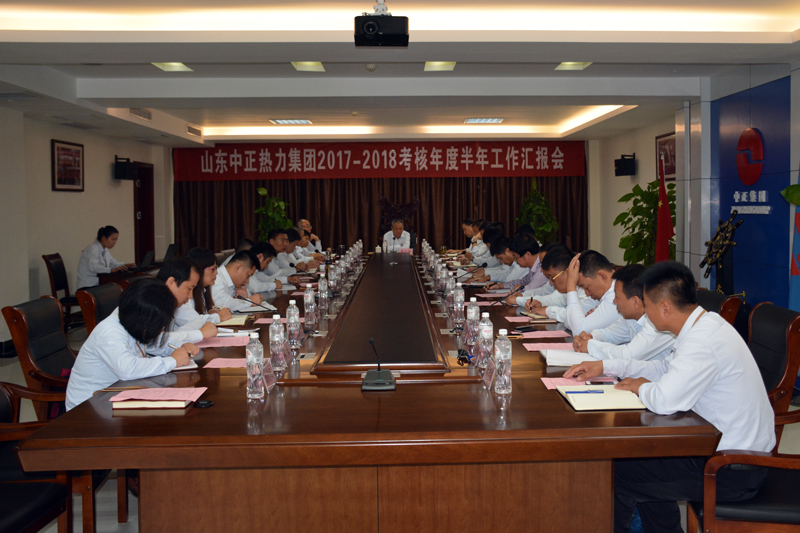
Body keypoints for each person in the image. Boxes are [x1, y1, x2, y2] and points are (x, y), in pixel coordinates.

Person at [564, 261, 773, 533]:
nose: (646, 313)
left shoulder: (702, 341)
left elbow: (664, 400)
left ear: (664, 308)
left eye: (647, 306)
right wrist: (606, 366)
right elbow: (663, 369)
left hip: (730, 468)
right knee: (640, 465)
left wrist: (640, 387)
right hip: (721, 452)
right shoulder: (704, 325)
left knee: (616, 474)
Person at [65, 278, 196, 410]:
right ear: (145, 318)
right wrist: (172, 361)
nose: (161, 328)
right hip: (88, 407)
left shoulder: (131, 319)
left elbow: (156, 343)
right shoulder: (109, 332)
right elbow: (127, 369)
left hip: (117, 395)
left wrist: (181, 346)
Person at [572, 264, 676, 362]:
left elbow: (627, 355)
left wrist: (590, 345)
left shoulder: (658, 322)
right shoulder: (630, 318)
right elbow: (609, 334)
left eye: (617, 297)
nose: (614, 301)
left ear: (635, 302)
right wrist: (590, 337)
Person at [156, 258, 218, 342]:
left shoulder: (174, 302)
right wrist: (198, 334)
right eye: (189, 289)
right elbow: (155, 342)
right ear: (171, 282)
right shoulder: (149, 302)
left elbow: (197, 321)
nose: (190, 296)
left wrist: (177, 337)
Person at [561, 250, 621, 335]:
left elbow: (579, 332)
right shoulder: (601, 294)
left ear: (603, 276)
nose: (587, 294)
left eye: (587, 288)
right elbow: (568, 322)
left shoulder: (616, 297)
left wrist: (571, 285)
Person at [527, 248, 596, 321]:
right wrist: (541, 304)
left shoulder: (587, 290)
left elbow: (575, 317)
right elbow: (559, 301)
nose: (551, 282)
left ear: (567, 272)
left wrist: (548, 311)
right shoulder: (574, 288)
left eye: (552, 278)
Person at [183, 247, 233, 325]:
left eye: (216, 268)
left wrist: (215, 310)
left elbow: (223, 306)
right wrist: (218, 317)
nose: (216, 273)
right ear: (199, 269)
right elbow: (192, 320)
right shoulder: (187, 294)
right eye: (213, 269)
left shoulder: (204, 289)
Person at [497, 233, 548, 305]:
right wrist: (501, 285)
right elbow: (522, 281)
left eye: (515, 257)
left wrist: (520, 292)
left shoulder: (541, 269)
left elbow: (531, 289)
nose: (515, 261)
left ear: (527, 255)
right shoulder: (533, 267)